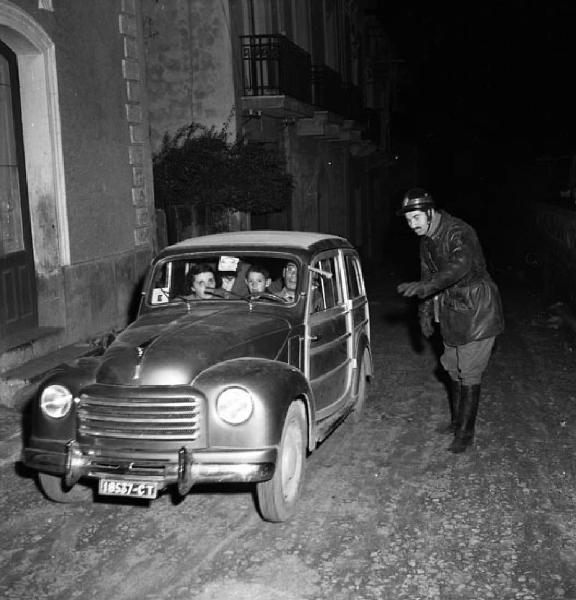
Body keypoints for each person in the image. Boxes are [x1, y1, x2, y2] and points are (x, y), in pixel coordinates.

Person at [396, 187, 504, 453]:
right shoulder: (426, 241)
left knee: (469, 371)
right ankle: (458, 422)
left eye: (417, 218)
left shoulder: (459, 232)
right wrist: (423, 313)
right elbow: (426, 277)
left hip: (478, 310)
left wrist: (429, 286)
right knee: (452, 365)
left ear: (431, 213)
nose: (412, 225)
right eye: (408, 221)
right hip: (453, 310)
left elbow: (459, 266)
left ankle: (465, 434)